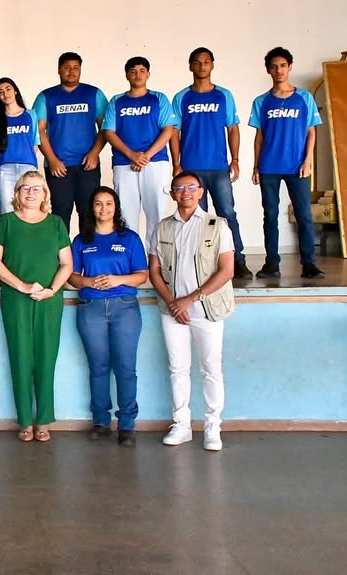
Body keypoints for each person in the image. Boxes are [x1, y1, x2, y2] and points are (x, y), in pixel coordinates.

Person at [149, 171, 236, 451]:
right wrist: (173, 303)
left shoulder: (217, 225)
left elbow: (227, 270)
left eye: (191, 187)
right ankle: (181, 424)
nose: (185, 192)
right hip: (172, 311)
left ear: (200, 192)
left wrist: (190, 300)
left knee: (211, 369)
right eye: (179, 188)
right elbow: (154, 271)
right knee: (178, 369)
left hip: (206, 310)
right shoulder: (162, 227)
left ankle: (212, 427)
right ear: (172, 194)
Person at [0, 170, 72, 443]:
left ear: (45, 193)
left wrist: (52, 290)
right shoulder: (6, 222)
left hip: (50, 300)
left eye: (37, 188)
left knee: (47, 358)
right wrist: (22, 286)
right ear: (17, 192)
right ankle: (25, 420)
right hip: (16, 299)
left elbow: (67, 264)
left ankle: (44, 420)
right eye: (25, 187)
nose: (31, 192)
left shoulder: (56, 224)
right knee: (20, 357)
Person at [67, 186, 149, 447]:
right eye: (98, 204)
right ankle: (101, 421)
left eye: (109, 203)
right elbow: (71, 276)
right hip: (90, 307)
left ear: (116, 208)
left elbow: (142, 275)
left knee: (125, 367)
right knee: (98, 366)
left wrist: (118, 280)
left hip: (124, 308)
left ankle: (127, 424)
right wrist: (88, 282)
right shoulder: (82, 240)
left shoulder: (129, 238)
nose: (104, 208)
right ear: (92, 208)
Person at [170, 47, 251, 279]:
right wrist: (176, 164)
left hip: (219, 168)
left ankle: (237, 259)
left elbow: (233, 128)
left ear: (212, 65)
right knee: (197, 216)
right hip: (191, 169)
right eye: (197, 62)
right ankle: (201, 262)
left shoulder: (224, 95)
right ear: (190, 66)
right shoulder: (181, 97)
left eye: (206, 62)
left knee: (227, 213)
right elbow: (174, 132)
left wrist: (235, 159)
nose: (202, 66)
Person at [248, 47, 325, 279]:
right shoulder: (261, 101)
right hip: (269, 166)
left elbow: (311, 132)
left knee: (304, 215)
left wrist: (308, 160)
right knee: (270, 215)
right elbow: (259, 136)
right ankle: (272, 263)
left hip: (297, 166)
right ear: (268, 70)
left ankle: (309, 263)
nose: (279, 70)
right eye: (274, 67)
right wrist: (256, 166)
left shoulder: (304, 98)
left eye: (283, 66)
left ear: (289, 67)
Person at [102, 56, 178, 247]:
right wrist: (132, 155)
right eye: (133, 71)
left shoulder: (158, 98)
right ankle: (132, 256)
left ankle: (155, 257)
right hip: (124, 163)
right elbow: (109, 132)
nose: (138, 75)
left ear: (148, 74)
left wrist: (146, 156)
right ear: (127, 75)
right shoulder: (116, 101)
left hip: (155, 162)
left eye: (142, 71)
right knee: (126, 214)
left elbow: (168, 130)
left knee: (157, 212)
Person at [33, 52, 108, 230]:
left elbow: (105, 128)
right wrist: (52, 159)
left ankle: (86, 248)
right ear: (59, 70)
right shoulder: (46, 96)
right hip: (58, 167)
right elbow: (39, 131)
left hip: (87, 165)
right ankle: (61, 249)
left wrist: (94, 154)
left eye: (75, 68)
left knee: (89, 213)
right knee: (60, 214)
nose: (71, 71)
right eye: (66, 67)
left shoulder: (94, 94)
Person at [0, 77, 40, 215]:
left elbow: (35, 143)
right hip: (5, 169)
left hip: (28, 167)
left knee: (29, 209)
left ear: (15, 91)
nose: (5, 94)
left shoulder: (30, 115)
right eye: (0, 92)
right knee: (7, 211)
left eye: (8, 89)